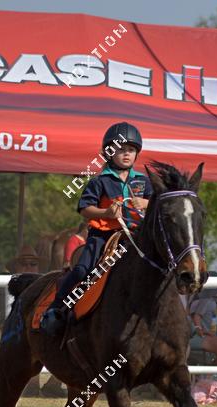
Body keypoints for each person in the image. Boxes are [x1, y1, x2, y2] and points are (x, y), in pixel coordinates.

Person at [40, 122, 150, 336]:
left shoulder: (144, 181)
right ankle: (56, 309)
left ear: (136, 153)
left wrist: (146, 203)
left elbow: (159, 205)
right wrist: (106, 213)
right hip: (103, 236)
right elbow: (84, 209)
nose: (126, 154)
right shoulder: (99, 181)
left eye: (131, 149)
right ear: (109, 152)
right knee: (83, 270)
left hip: (135, 238)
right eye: (121, 149)